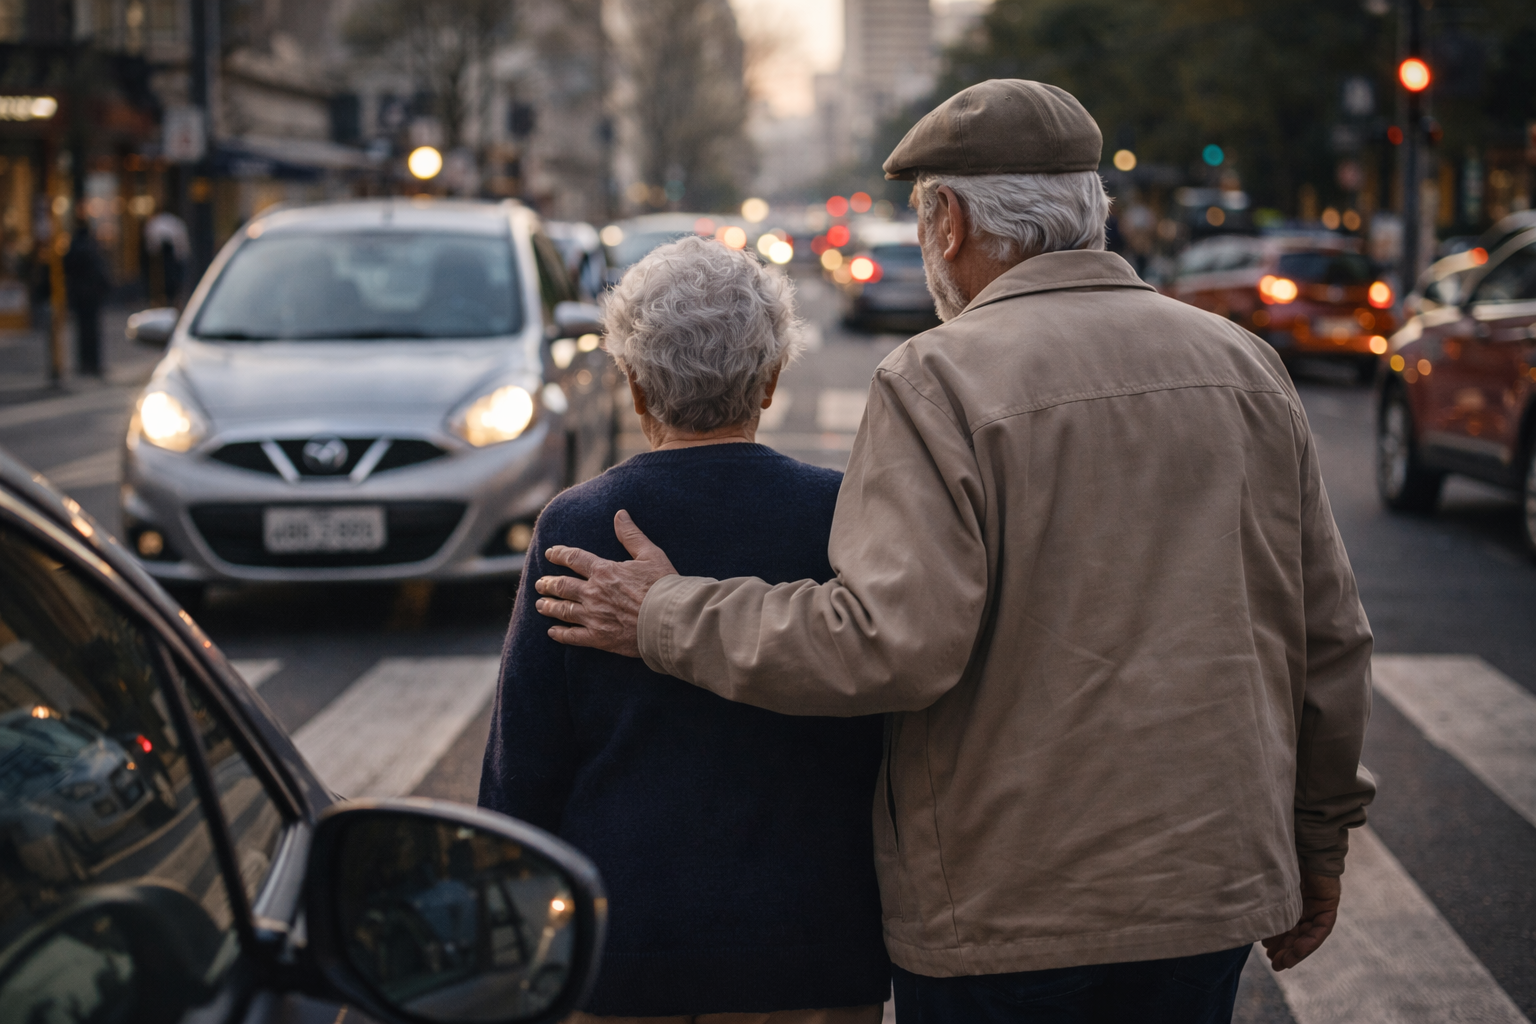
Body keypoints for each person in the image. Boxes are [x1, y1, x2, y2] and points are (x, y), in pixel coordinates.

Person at [531, 80, 1375, 1024]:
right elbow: (1329, 632)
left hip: (1009, 906)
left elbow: (887, 643)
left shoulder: (939, 379)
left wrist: (662, 611)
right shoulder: (1244, 364)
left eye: (924, 214)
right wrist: (1320, 837)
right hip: (1209, 885)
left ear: (952, 222)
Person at [479, 235, 890, 1024]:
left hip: (626, 940)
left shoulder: (581, 524)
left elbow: (522, 769)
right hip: (812, 942)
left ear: (634, 387)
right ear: (769, 383)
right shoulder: (838, 515)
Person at [62, 222, 111, 377]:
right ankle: (94, 364)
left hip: (79, 296)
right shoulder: (92, 248)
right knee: (93, 331)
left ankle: (84, 364)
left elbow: (66, 267)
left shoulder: (74, 249)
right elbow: (100, 273)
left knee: (82, 331)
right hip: (92, 296)